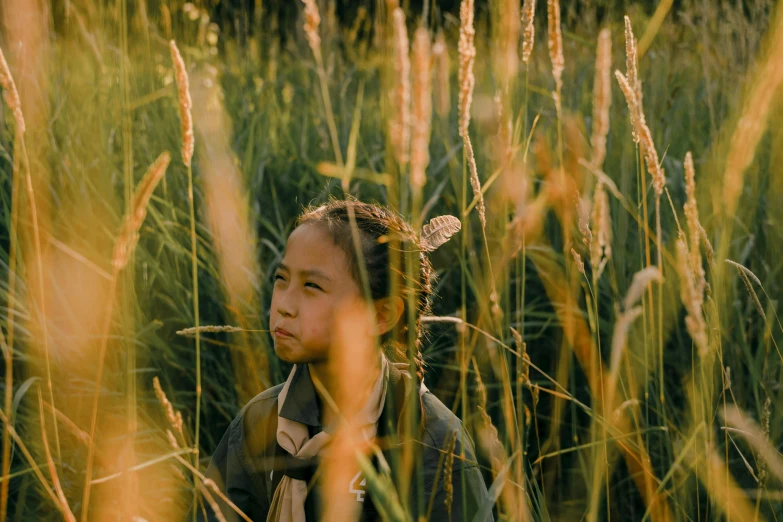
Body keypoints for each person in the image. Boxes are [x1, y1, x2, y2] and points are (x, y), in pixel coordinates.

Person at [197, 198, 492, 522]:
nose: (284, 305)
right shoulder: (261, 422)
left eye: (312, 286)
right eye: (282, 279)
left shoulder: (433, 437)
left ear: (381, 314)